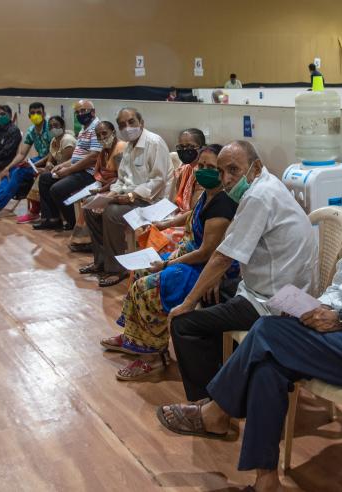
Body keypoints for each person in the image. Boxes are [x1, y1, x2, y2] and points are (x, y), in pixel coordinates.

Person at [157, 143, 342, 492]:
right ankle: (266, 480)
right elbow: (341, 282)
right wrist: (317, 309)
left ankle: (216, 412)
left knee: (265, 332)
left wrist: (340, 319)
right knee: (268, 366)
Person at [157, 140, 316, 405]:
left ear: (255, 168)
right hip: (278, 286)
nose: (226, 179)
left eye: (233, 170)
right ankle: (232, 379)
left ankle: (212, 405)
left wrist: (186, 304)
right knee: (212, 292)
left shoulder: (258, 196)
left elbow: (221, 257)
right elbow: (229, 248)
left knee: (183, 323)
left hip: (274, 301)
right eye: (221, 172)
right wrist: (216, 278)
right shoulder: (266, 184)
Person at [101, 144, 240, 380]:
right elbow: (194, 212)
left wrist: (166, 265)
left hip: (203, 268)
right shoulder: (209, 193)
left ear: (223, 171)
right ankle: (133, 338)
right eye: (201, 165)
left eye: (212, 168)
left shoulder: (224, 203)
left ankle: (151, 357)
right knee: (139, 271)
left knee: (148, 288)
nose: (204, 171)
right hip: (188, 257)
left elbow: (206, 253)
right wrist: (166, 224)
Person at [80, 107, 172, 287]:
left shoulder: (154, 142)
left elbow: (158, 180)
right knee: (91, 208)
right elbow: (122, 179)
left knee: (112, 213)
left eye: (131, 122)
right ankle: (102, 261)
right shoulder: (129, 146)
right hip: (130, 197)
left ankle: (117, 269)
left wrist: (130, 195)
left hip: (152, 201)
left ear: (141, 123)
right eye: (122, 125)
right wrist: (111, 194)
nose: (127, 127)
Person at [0, 102, 52, 218]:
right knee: (13, 170)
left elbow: (53, 153)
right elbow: (21, 153)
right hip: (38, 159)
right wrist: (7, 168)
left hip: (50, 160)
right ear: (29, 116)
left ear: (44, 114)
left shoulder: (49, 129)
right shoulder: (31, 131)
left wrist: (33, 164)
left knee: (19, 171)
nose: (36, 115)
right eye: (33, 113)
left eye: (38, 113)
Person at [33, 100, 100, 231]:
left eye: (83, 111)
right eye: (78, 112)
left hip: (89, 173)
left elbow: (93, 157)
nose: (80, 114)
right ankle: (52, 219)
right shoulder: (84, 129)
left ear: (93, 112)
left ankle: (75, 223)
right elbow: (77, 156)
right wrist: (62, 165)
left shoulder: (97, 128)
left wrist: (69, 170)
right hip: (78, 169)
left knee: (57, 189)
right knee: (45, 178)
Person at [68, 121, 125, 252]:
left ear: (114, 132)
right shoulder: (104, 151)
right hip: (104, 185)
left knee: (91, 201)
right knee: (87, 198)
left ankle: (90, 241)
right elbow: (101, 173)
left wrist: (101, 190)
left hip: (119, 188)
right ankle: (90, 241)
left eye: (104, 133)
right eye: (98, 136)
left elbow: (121, 177)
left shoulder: (120, 147)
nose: (102, 138)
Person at [18, 116, 76, 224]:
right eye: (50, 127)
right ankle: (46, 216)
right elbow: (51, 159)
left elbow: (66, 164)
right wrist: (47, 166)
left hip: (69, 171)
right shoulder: (54, 140)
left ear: (62, 126)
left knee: (43, 178)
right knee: (40, 175)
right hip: (58, 170)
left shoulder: (67, 140)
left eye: (56, 125)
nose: (53, 128)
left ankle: (45, 215)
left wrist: (48, 170)